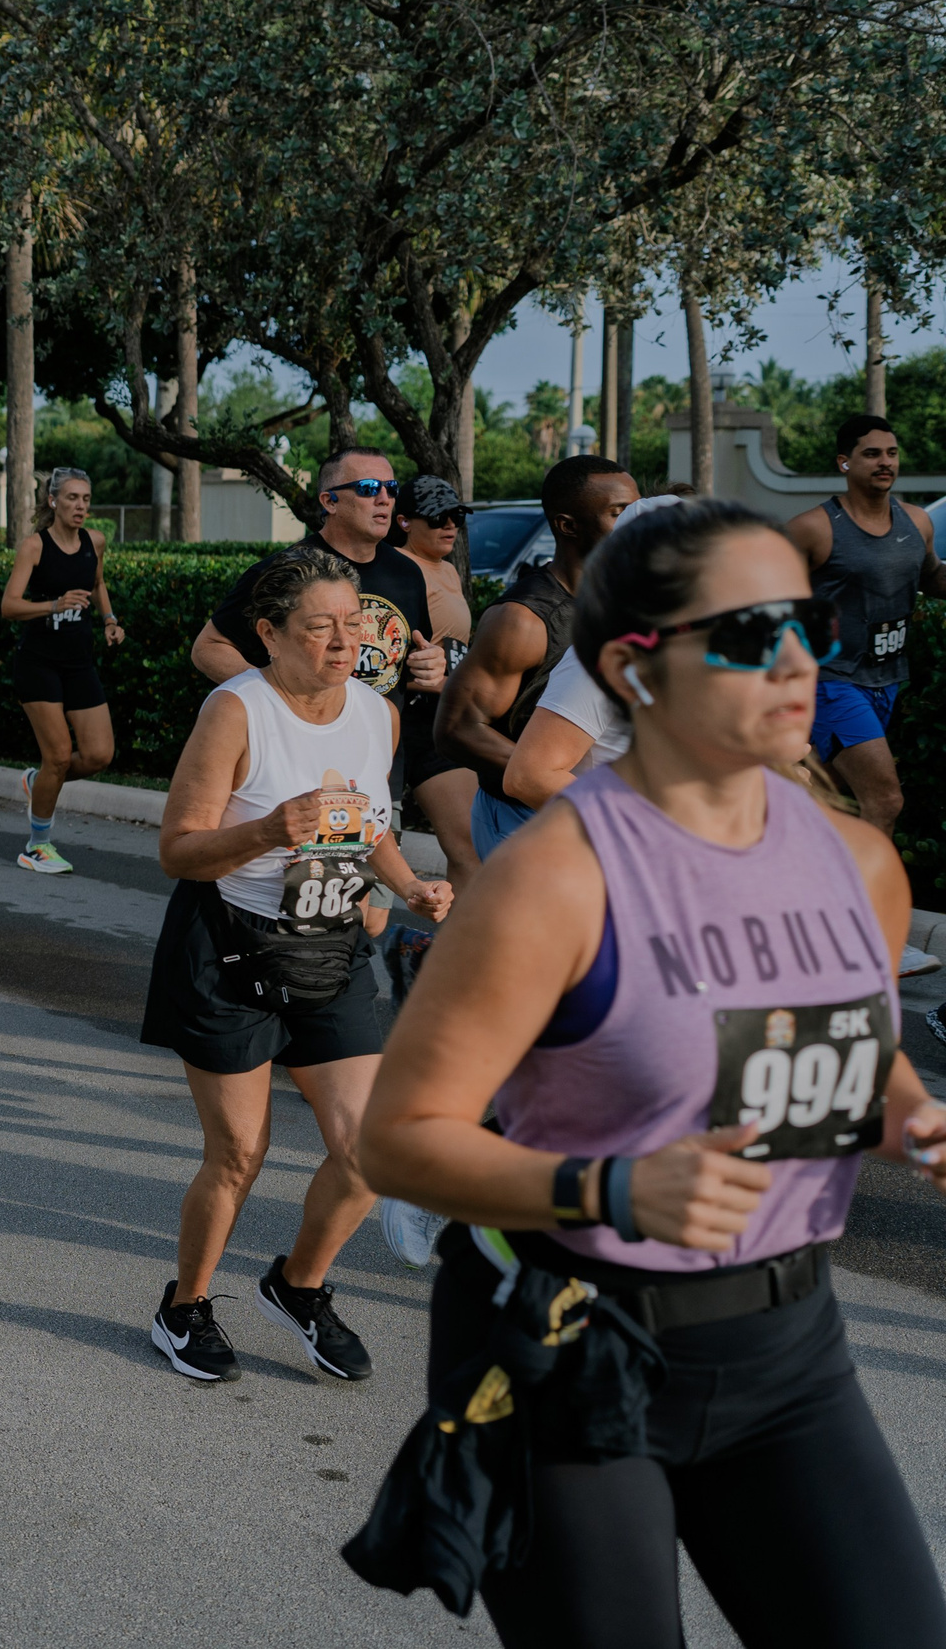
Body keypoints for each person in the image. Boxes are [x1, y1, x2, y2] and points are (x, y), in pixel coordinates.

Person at [357, 498, 946, 1646]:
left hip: (787, 1349)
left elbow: (853, 1058)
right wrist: (609, 1189)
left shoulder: (856, 859)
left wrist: (919, 1123)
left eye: (805, 623)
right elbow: (399, 1137)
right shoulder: (559, 879)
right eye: (742, 633)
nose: (791, 660)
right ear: (634, 671)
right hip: (573, 1344)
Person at [142, 546, 454, 1382]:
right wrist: (270, 830)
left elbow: (368, 819)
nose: (343, 641)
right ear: (270, 633)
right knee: (240, 1152)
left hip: (329, 946)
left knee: (368, 1147)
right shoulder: (236, 710)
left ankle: (299, 1284)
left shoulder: (376, 713)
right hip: (228, 943)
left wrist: (411, 885)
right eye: (320, 627)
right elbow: (179, 849)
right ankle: (186, 1306)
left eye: (354, 623)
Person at [784, 413, 946, 976]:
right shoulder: (812, 528)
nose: (887, 463)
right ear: (844, 462)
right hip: (831, 683)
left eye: (893, 453)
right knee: (885, 801)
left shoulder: (917, 521)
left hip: (887, 680)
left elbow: (932, 580)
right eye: (873, 453)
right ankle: (872, 939)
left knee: (823, 809)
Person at [439, 455, 637, 865]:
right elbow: (458, 728)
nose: (637, 522)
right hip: (523, 816)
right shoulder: (523, 619)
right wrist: (552, 776)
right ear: (568, 525)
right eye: (619, 513)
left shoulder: (628, 605)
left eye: (638, 509)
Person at [193, 447, 445, 735]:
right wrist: (274, 697)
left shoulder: (407, 573)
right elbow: (207, 649)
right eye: (368, 488)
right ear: (330, 501)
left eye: (391, 488)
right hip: (299, 741)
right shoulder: (285, 571)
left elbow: (403, 660)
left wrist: (430, 663)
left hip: (379, 744)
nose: (384, 499)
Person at [3, 466, 125, 874]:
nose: (81, 506)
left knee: (98, 755)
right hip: (38, 663)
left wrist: (109, 619)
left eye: (86, 499)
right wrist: (55, 604)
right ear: (53, 501)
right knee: (56, 755)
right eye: (72, 498)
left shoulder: (96, 541)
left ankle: (39, 784)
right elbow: (9, 606)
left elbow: (98, 584)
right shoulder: (34, 547)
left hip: (78, 662)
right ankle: (37, 846)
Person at [389, 477, 480, 883]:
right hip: (393, 718)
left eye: (456, 515)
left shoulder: (448, 571)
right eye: (437, 516)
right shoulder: (392, 570)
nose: (449, 524)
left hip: (439, 719)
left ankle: (463, 946)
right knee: (370, 851)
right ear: (404, 521)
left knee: (470, 844)